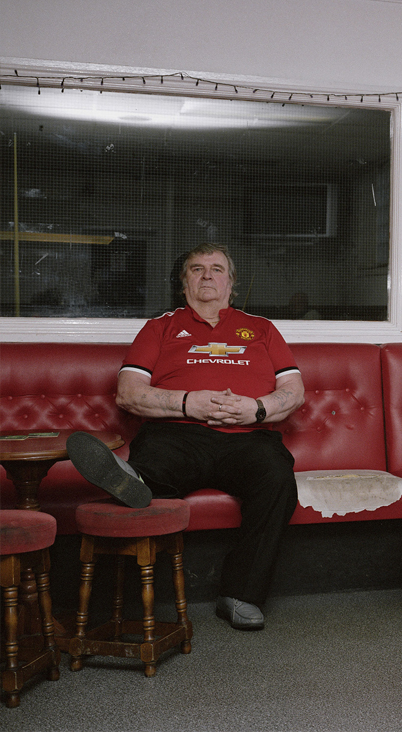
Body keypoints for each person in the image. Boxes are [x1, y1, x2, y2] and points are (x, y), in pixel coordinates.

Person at [67, 242, 305, 631]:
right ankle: (132, 481)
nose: (207, 275)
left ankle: (241, 594)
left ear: (231, 283)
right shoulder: (159, 327)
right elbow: (128, 393)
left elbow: (295, 391)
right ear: (184, 284)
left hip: (247, 437)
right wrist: (186, 403)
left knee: (276, 478)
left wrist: (256, 409)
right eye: (196, 269)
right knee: (156, 472)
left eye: (216, 269)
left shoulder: (262, 329)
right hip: (176, 433)